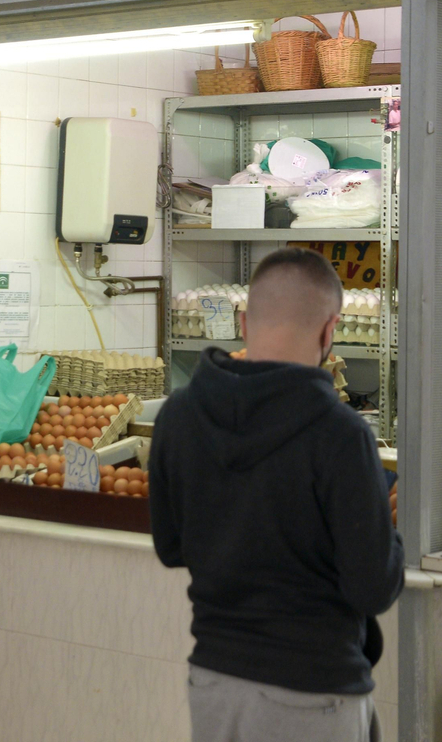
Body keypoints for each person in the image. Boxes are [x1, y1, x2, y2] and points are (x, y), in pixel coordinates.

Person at [149, 247, 404, 742]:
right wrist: (390, 525)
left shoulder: (178, 415)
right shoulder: (340, 433)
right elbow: (373, 586)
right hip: (313, 692)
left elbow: (170, 546)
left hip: (214, 679)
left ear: (244, 322)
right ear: (330, 331)